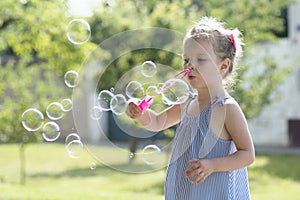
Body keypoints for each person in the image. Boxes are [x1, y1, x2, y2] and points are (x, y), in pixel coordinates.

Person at [126, 16, 255, 200]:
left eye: (200, 60)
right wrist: (140, 115)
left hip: (214, 193)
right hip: (185, 192)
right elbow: (156, 122)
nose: (190, 66)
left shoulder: (227, 109)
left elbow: (247, 154)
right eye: (186, 59)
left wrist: (213, 165)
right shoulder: (187, 103)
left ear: (223, 66)